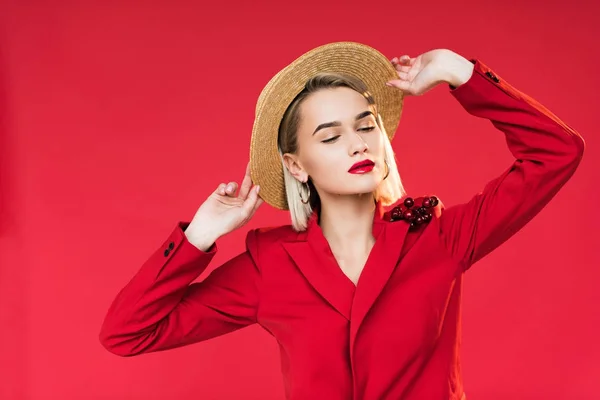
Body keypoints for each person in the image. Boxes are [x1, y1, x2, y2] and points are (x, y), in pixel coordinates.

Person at [99, 42, 585, 399]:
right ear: (296, 164)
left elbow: (556, 153)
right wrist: (199, 237)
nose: (357, 144)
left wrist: (458, 72)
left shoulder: (436, 237)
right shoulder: (272, 266)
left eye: (366, 125)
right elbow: (127, 333)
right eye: (330, 137)